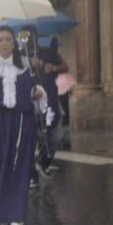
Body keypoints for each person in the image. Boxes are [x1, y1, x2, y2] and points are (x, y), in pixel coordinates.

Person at [0, 26, 48, 225]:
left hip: (21, 123)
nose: (4, 43)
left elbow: (34, 89)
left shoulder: (26, 65)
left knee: (18, 167)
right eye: (0, 40)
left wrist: (38, 93)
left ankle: (15, 213)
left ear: (14, 43)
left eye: (7, 39)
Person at [30, 35, 69, 173]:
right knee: (37, 136)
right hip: (35, 101)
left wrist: (53, 68)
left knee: (57, 136)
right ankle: (31, 173)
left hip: (51, 97)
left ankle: (43, 161)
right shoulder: (26, 53)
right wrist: (35, 65)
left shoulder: (54, 53)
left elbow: (65, 66)